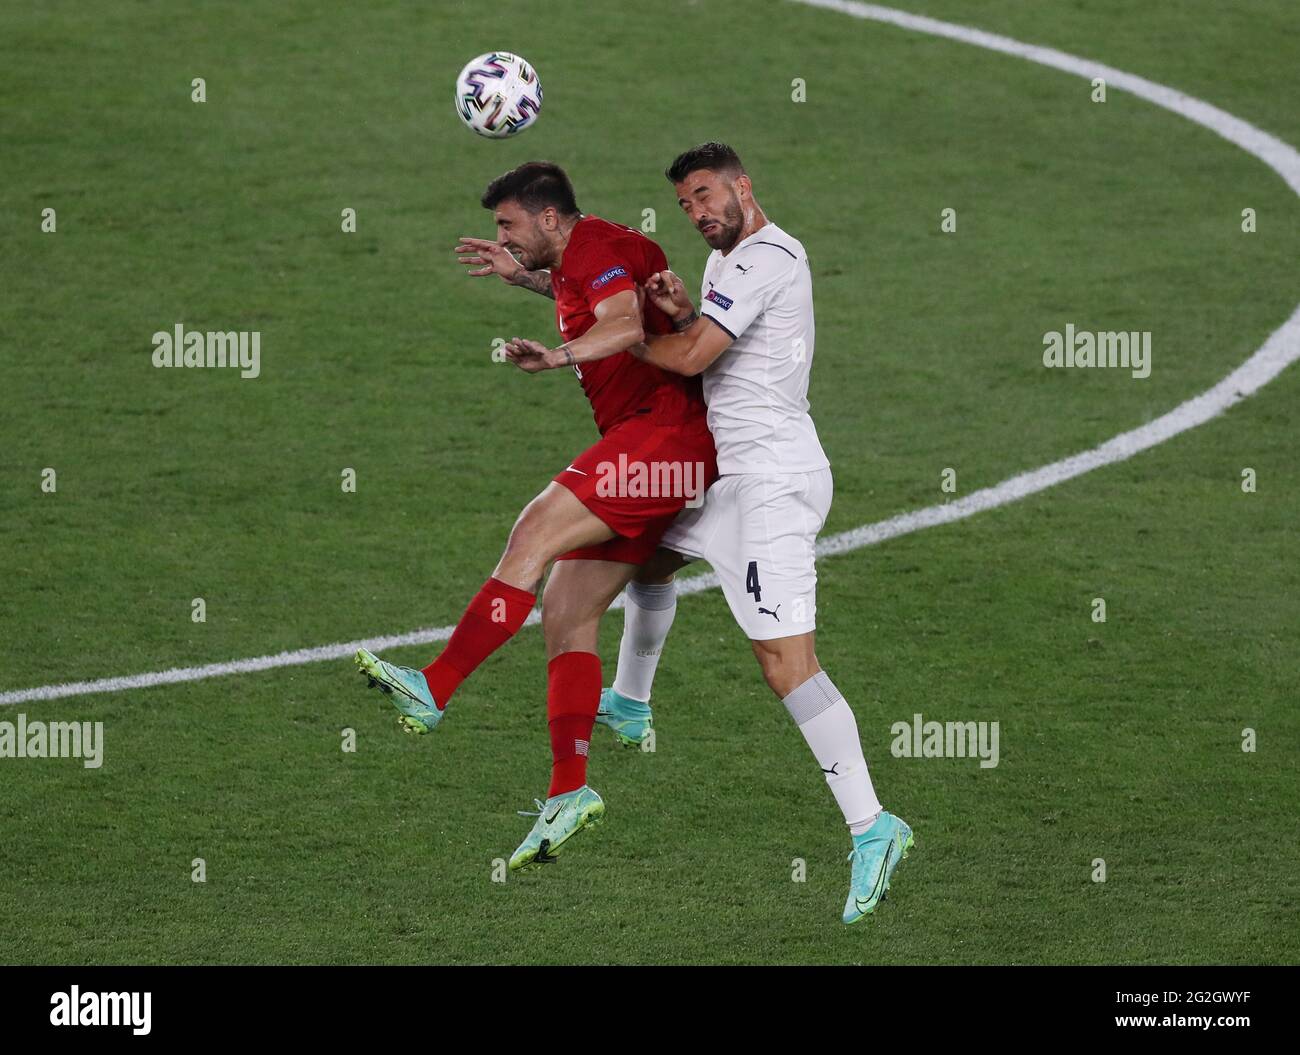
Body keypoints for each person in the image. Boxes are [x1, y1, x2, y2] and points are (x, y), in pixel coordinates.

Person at [507, 143, 912, 923]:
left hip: (771, 487)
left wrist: (619, 334)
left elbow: (693, 356)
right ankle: (629, 701)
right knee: (640, 550)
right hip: (720, 475)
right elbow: (704, 340)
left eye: (705, 196)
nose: (697, 213)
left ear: (742, 187)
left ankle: (872, 826)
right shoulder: (726, 264)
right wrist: (655, 303)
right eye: (687, 204)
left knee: (786, 664)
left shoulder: (769, 257)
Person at [356, 161, 716, 871]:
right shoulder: (583, 256)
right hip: (653, 440)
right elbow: (593, 293)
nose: (503, 235)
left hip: (663, 438)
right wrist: (523, 277)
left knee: (533, 531)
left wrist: (559, 356)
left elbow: (617, 323)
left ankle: (435, 687)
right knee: (567, 608)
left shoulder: (599, 249)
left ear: (549, 218)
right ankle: (570, 791)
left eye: (508, 224)